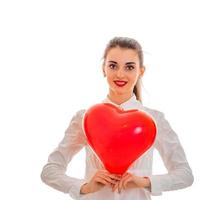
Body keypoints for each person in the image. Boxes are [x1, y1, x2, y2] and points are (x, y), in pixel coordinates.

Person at [40, 36, 194, 200]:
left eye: (129, 67)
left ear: (140, 71)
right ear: (103, 68)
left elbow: (185, 175)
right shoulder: (84, 118)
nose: (120, 74)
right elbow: (50, 171)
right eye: (113, 66)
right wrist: (84, 187)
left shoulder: (155, 120)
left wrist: (145, 182)